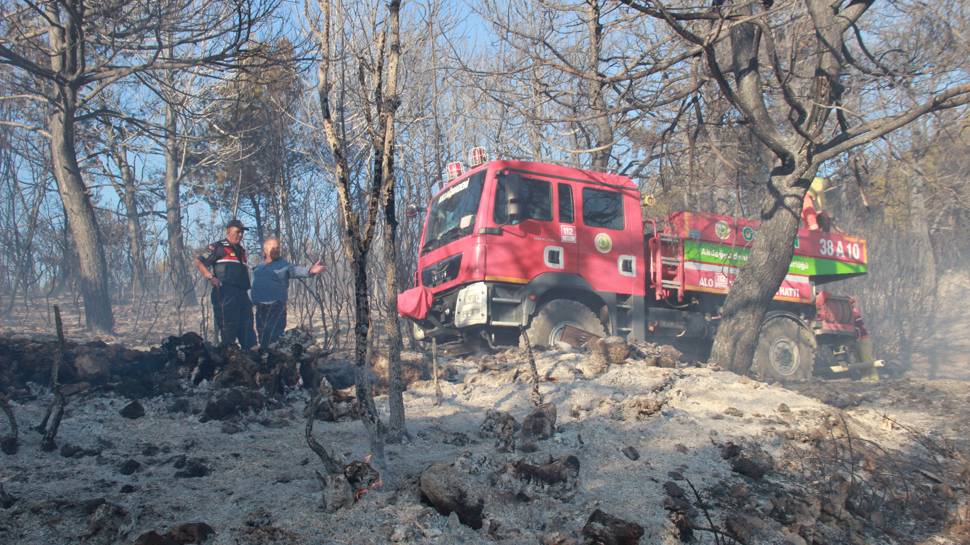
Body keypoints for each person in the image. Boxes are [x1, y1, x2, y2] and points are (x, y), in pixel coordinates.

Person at [251, 237, 325, 347]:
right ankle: (266, 359)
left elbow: (295, 270)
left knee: (273, 336)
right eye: (273, 247)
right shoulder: (258, 267)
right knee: (262, 336)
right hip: (260, 307)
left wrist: (310, 271)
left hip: (276, 306)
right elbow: (254, 286)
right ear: (265, 250)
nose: (276, 250)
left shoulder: (283, 265)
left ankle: (277, 358)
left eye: (278, 248)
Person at [196, 219, 256, 349]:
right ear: (228, 231)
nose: (240, 235)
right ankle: (228, 360)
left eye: (242, 233)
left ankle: (250, 358)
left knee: (247, 330)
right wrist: (211, 277)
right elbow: (199, 261)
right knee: (229, 330)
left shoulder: (241, 250)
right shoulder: (218, 247)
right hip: (225, 294)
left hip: (243, 295)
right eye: (237, 232)